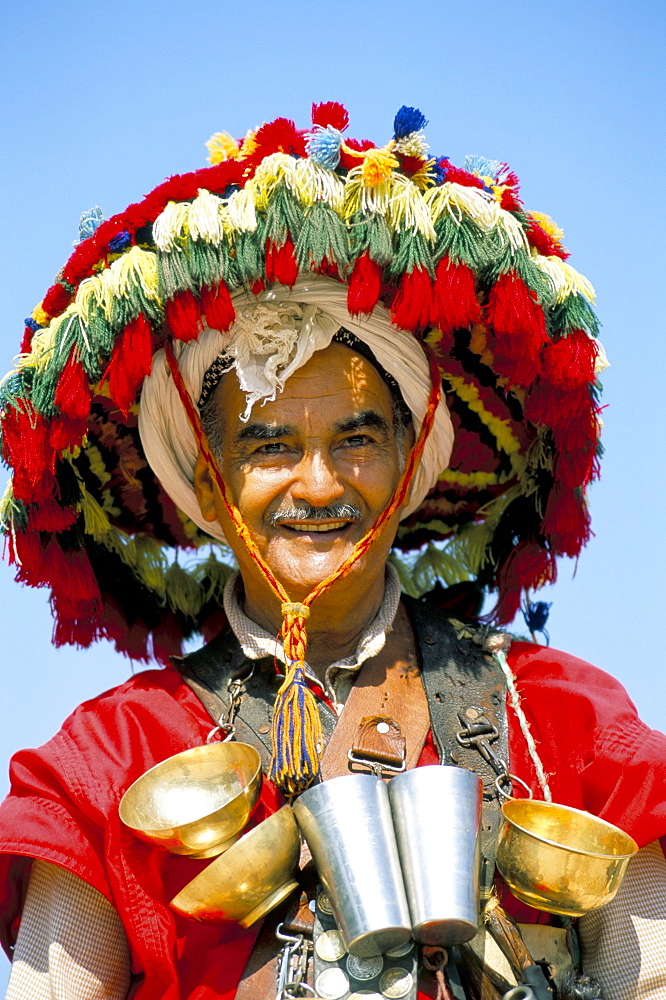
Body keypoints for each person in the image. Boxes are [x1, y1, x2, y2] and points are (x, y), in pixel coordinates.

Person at [0, 103, 664, 1000]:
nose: (319, 486)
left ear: (413, 462)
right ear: (206, 483)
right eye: (270, 446)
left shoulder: (562, 724)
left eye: (356, 440)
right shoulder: (109, 760)